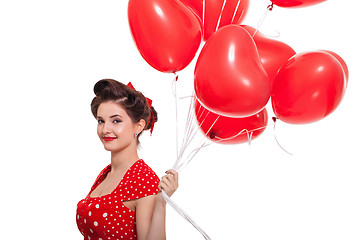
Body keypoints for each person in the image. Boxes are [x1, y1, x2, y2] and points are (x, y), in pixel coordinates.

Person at [76, 79, 178, 240]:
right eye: (101, 121)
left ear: (138, 126)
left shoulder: (142, 179)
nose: (105, 129)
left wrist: (160, 204)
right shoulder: (106, 173)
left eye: (116, 121)